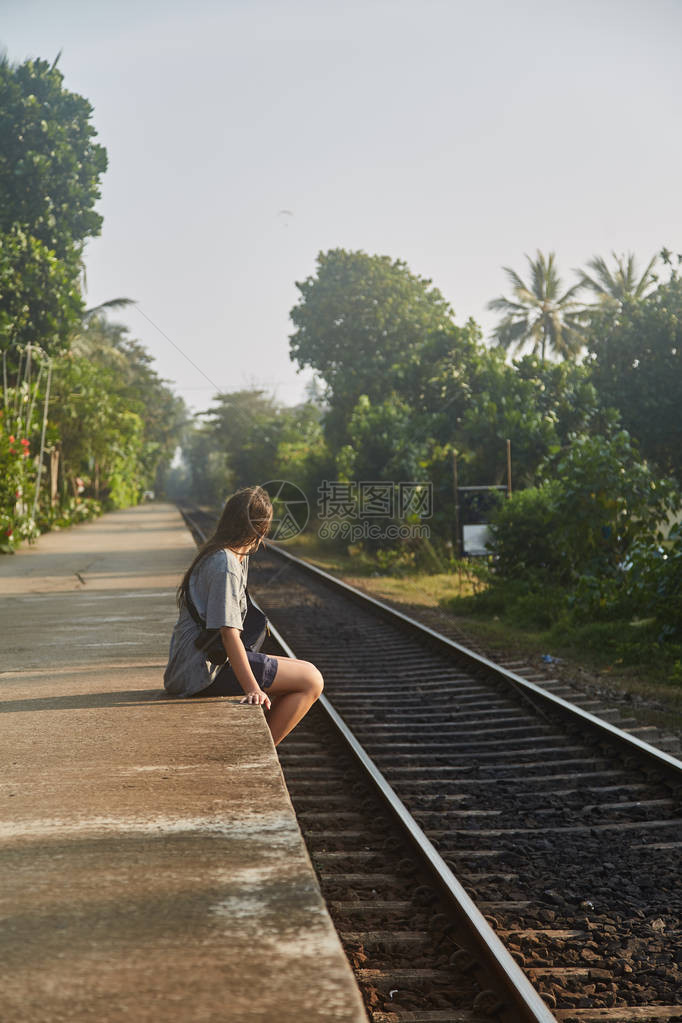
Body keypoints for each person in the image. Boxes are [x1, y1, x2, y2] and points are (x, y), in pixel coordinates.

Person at [163, 485, 323, 745]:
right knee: (311, 682)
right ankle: (259, 750)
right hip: (200, 672)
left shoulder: (231, 555)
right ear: (260, 530)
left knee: (308, 671)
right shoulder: (224, 564)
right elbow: (228, 634)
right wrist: (253, 688)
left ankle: (259, 742)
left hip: (200, 663)